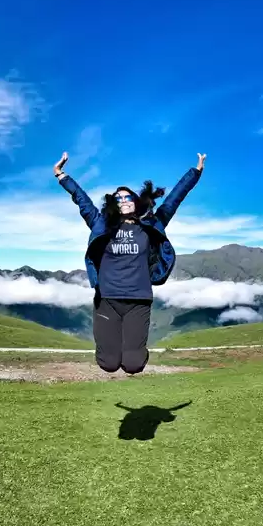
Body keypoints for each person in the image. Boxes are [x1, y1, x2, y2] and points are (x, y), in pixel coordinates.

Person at [54, 150, 205, 374]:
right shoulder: (100, 224)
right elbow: (82, 200)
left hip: (139, 300)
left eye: (127, 197)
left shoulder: (152, 224)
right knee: (108, 364)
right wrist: (61, 175)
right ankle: (112, 349)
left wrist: (196, 171)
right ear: (113, 204)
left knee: (133, 365)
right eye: (118, 198)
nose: (123, 200)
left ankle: (135, 350)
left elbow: (174, 198)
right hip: (107, 300)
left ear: (136, 201)